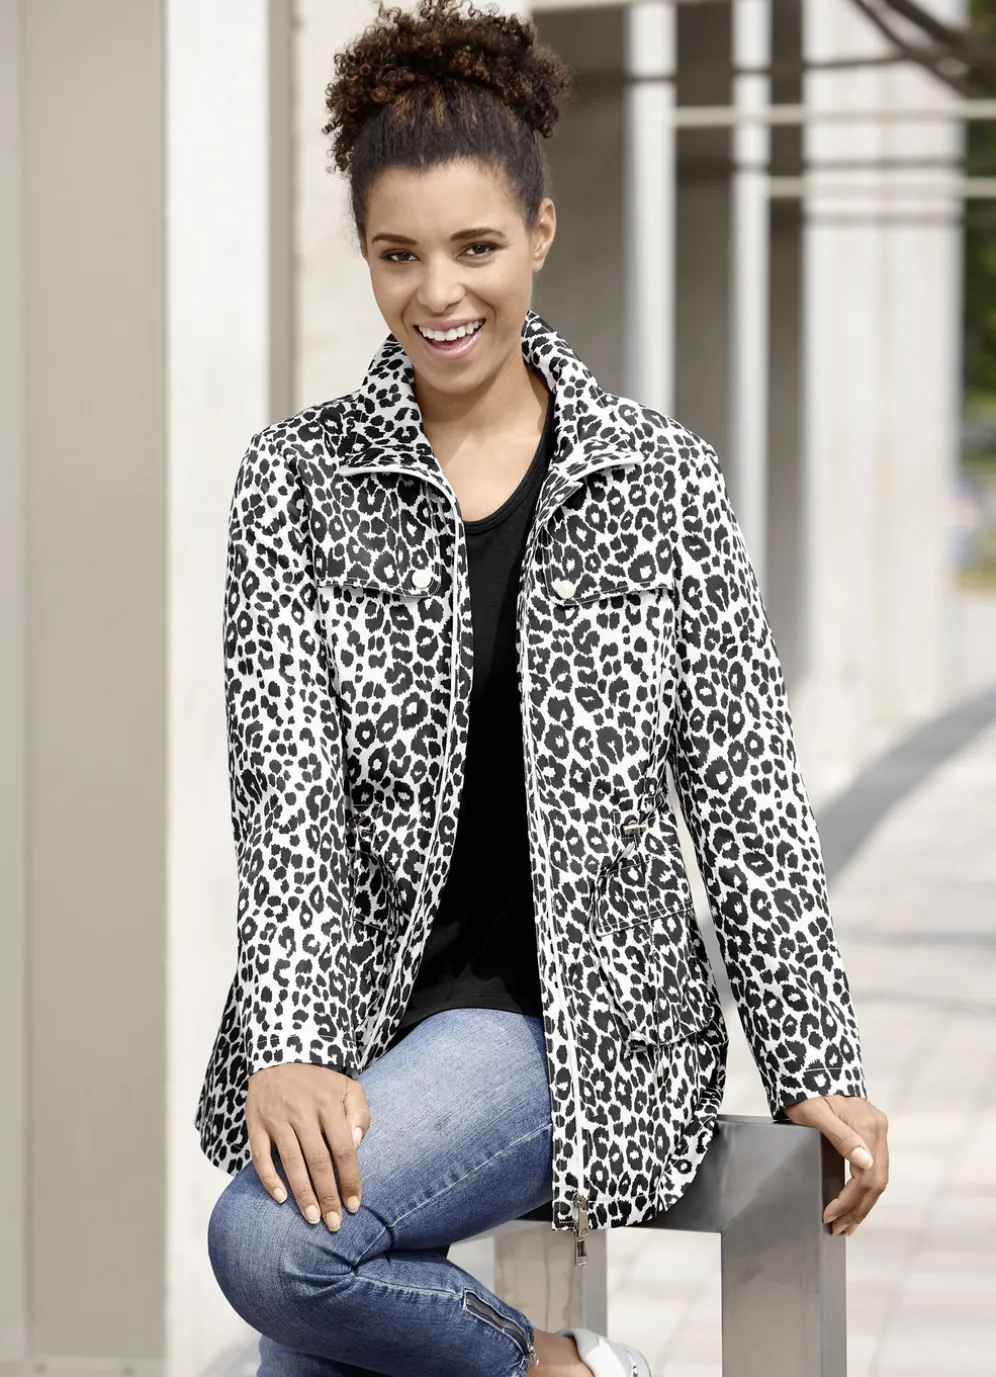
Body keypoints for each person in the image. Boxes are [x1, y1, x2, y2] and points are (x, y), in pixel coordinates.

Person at [197, 3, 890, 1375]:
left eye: (476, 248)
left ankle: (556, 1366)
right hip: (368, 1025)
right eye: (398, 255)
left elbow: (746, 794)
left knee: (274, 1248)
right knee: (311, 1324)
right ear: (364, 252)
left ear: (542, 233)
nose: (437, 295)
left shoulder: (656, 480)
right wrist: (288, 1043)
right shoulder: (296, 482)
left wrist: (816, 1065)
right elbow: (286, 802)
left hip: (578, 1029)